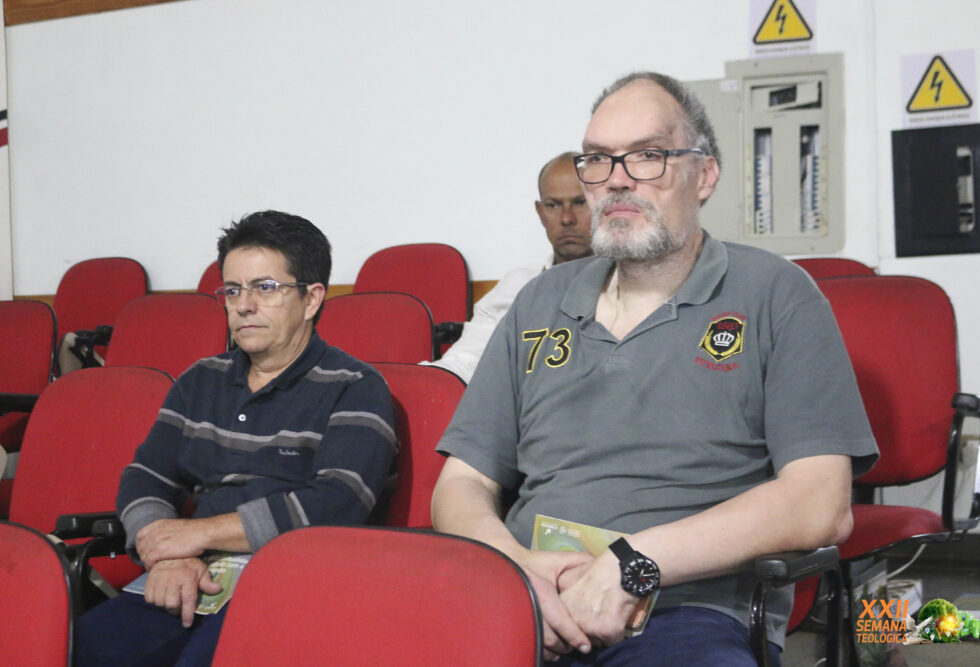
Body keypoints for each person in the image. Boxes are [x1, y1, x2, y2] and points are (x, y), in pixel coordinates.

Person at [431, 72, 878, 665]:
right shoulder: (539, 302)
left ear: (705, 175)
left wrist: (634, 564)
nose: (617, 178)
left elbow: (820, 503)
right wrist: (515, 568)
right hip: (523, 599)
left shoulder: (776, 294)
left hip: (685, 610)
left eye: (648, 155)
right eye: (597, 159)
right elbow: (461, 484)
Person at [75, 210, 397, 666]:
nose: (243, 305)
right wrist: (166, 553)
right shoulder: (200, 380)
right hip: (184, 573)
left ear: (311, 299)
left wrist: (198, 534)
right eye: (232, 290)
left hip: (293, 583)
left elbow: (337, 503)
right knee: (76, 649)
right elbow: (145, 477)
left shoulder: (355, 386)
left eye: (265, 288)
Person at [430, 152, 593, 383]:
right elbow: (462, 363)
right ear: (541, 213)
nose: (567, 218)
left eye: (580, 202)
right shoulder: (517, 284)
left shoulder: (629, 285)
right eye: (553, 205)